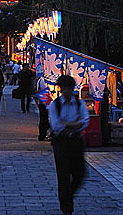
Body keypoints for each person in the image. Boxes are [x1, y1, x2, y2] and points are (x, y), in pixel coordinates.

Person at [49, 75, 89, 215]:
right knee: (64, 175)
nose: (66, 91)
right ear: (60, 89)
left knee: (80, 173)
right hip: (61, 142)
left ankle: (67, 196)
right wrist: (75, 124)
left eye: (69, 88)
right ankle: (66, 208)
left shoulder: (79, 103)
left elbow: (85, 121)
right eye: (64, 88)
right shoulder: (55, 105)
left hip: (76, 141)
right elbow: (56, 126)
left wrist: (68, 125)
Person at [36, 76, 51, 141]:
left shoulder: (41, 79)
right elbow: (43, 90)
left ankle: (43, 134)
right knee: (44, 119)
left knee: (44, 119)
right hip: (44, 102)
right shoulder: (43, 80)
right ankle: (42, 135)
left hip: (43, 102)